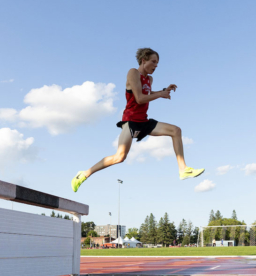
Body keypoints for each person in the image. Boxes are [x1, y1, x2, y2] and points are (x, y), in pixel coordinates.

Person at [71, 48, 204, 192]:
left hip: (144, 121)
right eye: (153, 62)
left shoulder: (149, 79)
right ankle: (84, 174)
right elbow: (140, 98)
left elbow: (147, 92)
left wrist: (164, 90)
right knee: (120, 157)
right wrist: (161, 94)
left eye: (157, 63)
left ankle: (183, 169)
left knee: (176, 131)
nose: (156, 66)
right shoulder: (133, 72)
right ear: (143, 60)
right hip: (131, 121)